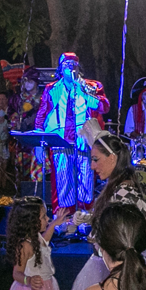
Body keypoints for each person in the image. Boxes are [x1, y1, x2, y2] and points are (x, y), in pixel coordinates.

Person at [70, 131, 146, 290]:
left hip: (115, 268)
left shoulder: (123, 192)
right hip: (108, 265)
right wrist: (89, 218)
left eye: (96, 159)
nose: (92, 166)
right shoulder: (118, 188)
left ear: (112, 158)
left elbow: (127, 226)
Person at [36, 52, 109, 211]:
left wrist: (84, 92)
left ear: (78, 67)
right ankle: (63, 217)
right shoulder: (51, 89)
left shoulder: (92, 86)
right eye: (66, 65)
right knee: (63, 181)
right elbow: (41, 116)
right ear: (60, 68)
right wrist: (38, 144)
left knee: (86, 180)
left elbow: (104, 107)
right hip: (60, 141)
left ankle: (85, 215)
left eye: (73, 64)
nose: (70, 68)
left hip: (84, 140)